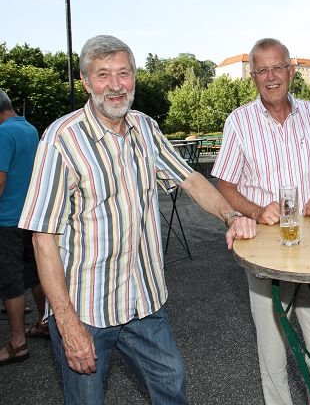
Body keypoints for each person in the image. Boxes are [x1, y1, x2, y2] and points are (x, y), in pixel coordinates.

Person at [18, 35, 256, 404]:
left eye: (124, 73)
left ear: (134, 77)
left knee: (171, 385)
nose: (115, 85)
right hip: (86, 310)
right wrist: (66, 323)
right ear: (85, 81)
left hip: (144, 301)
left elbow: (190, 179)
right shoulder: (61, 140)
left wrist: (231, 215)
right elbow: (42, 237)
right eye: (103, 75)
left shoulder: (145, 128)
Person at [211, 38, 310, 404]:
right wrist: (255, 211)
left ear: (291, 71)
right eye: (262, 70)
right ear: (253, 77)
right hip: (265, 248)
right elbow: (225, 185)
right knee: (273, 351)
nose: (271, 77)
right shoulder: (239, 121)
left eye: (277, 67)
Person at [0, 89, 48, 366]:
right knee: (36, 273)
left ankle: (17, 343)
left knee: (11, 281)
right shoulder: (29, 129)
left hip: (6, 219)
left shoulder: (3, 133)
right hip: (29, 215)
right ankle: (44, 322)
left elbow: (0, 182)